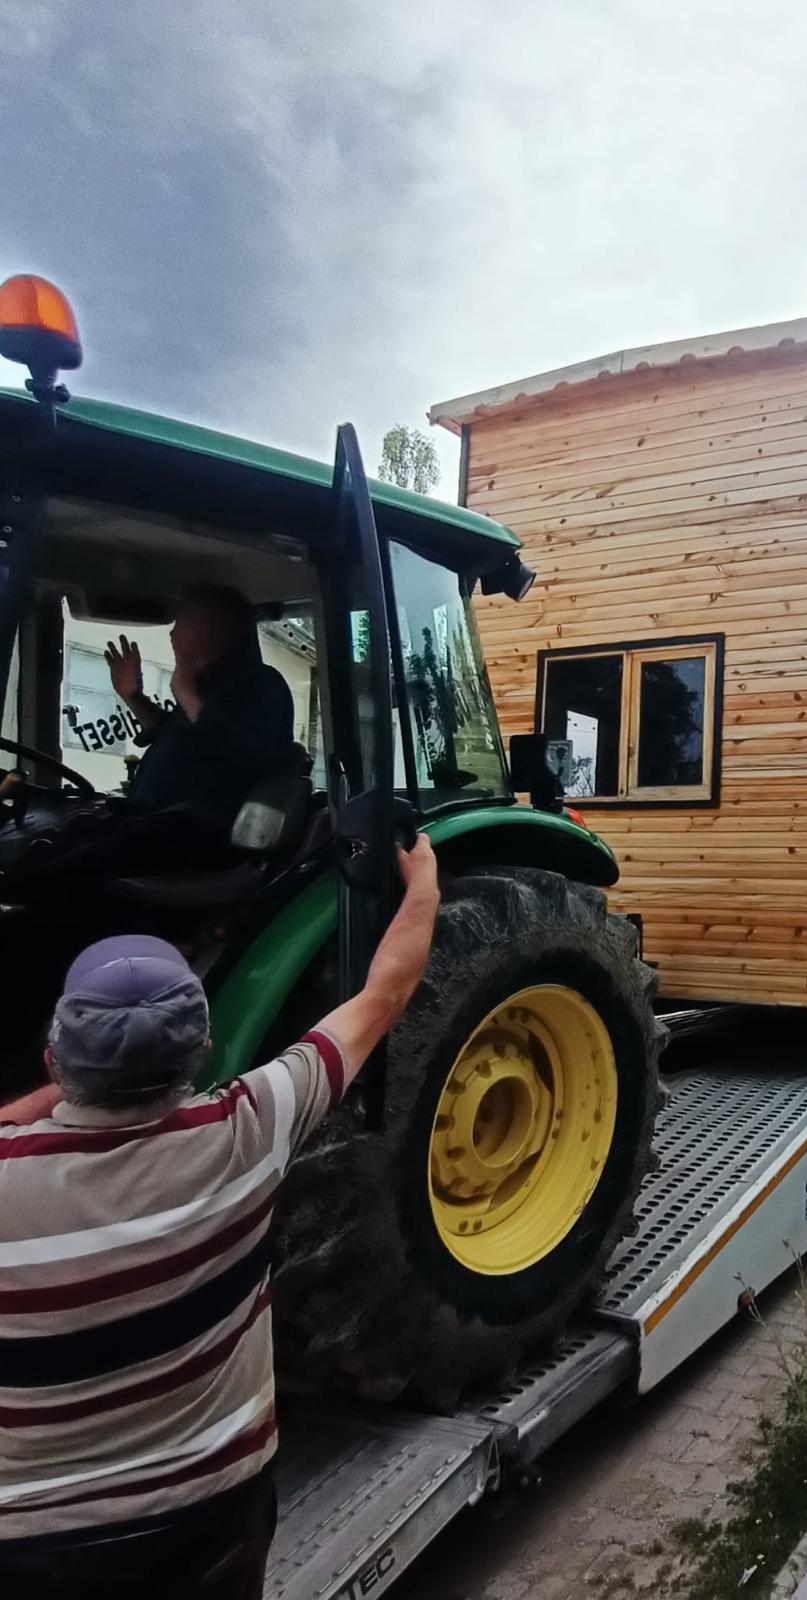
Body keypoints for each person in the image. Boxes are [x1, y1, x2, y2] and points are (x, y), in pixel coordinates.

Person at [0, 835, 440, 1597]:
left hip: (35, 1549)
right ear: (203, 1049)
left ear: (52, 1058)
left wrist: (40, 1106)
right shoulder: (249, 1131)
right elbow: (385, 994)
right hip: (214, 1517)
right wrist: (424, 884)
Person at [108, 585, 296, 829]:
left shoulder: (263, 685)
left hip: (194, 837)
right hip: (149, 825)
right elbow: (176, 734)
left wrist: (187, 694)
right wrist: (133, 696)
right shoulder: (208, 685)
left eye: (179, 624)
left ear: (203, 631)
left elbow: (244, 752)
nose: (172, 634)